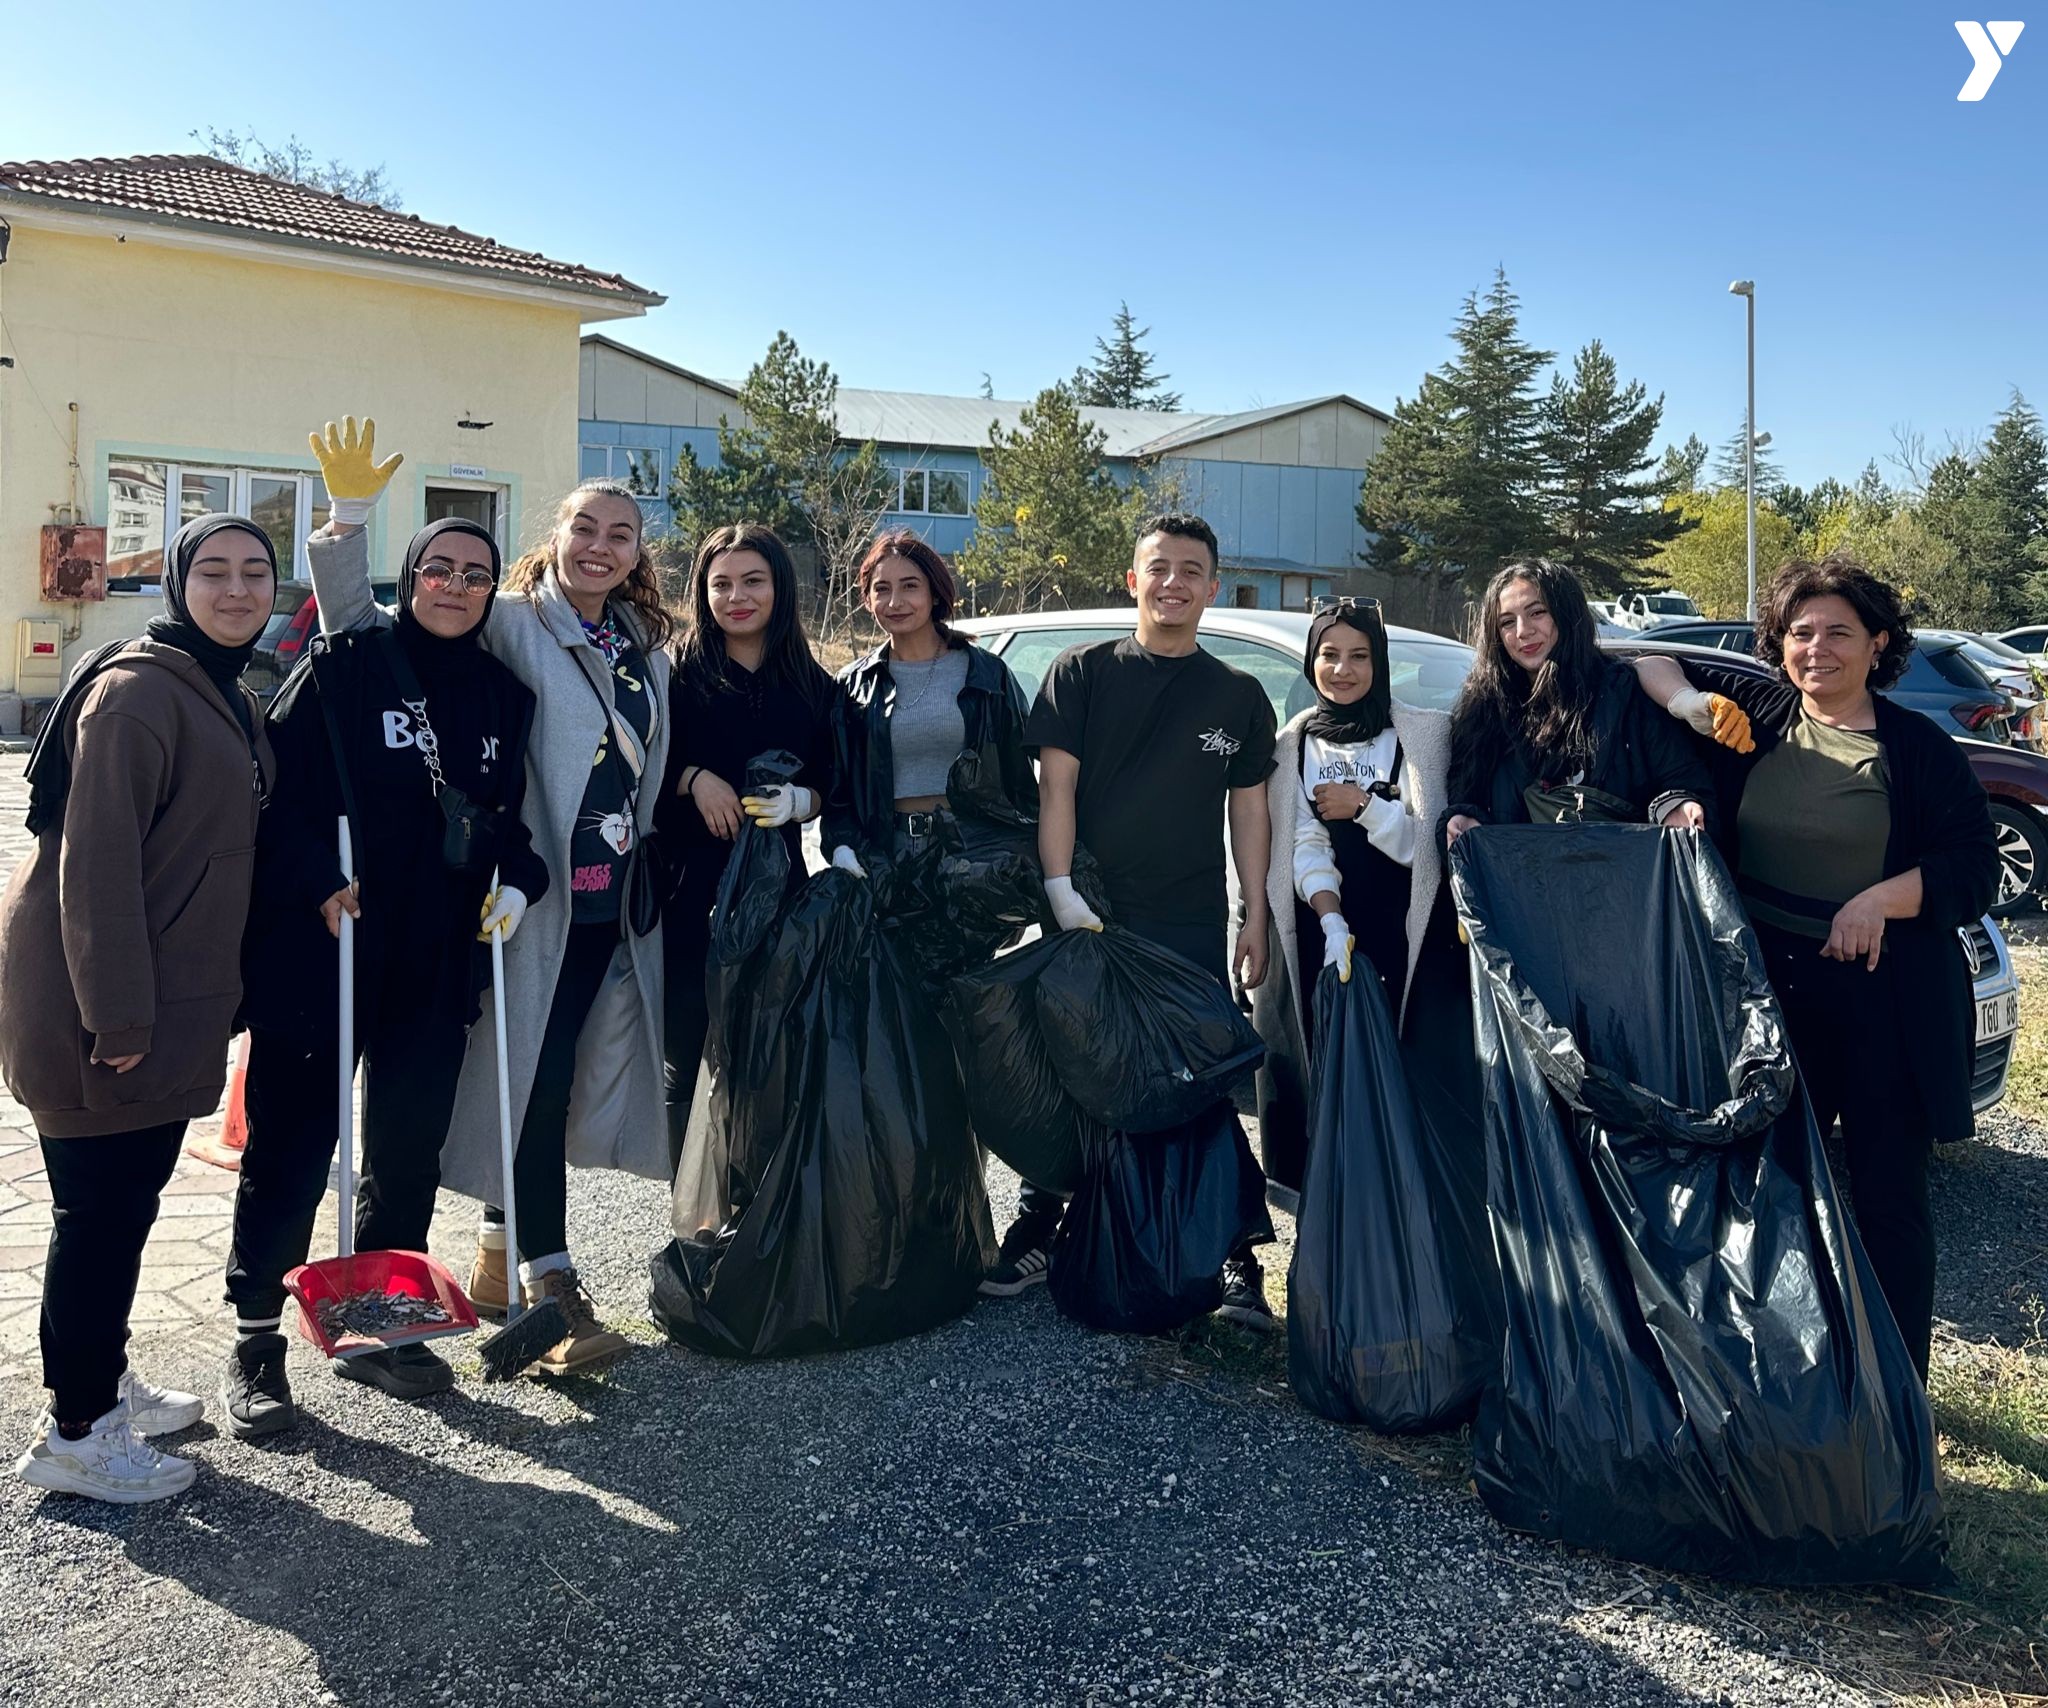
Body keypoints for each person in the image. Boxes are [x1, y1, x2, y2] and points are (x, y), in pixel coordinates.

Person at [304, 418, 670, 1376]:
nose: (600, 547)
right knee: (337, 1127)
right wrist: (346, 526)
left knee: (436, 1117)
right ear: (557, 540)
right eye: (585, 528)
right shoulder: (510, 617)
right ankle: (270, 1328)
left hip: (555, 903)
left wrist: (520, 872)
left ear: (637, 555)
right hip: (395, 918)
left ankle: (449, 1285)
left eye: (620, 535)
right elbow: (356, 634)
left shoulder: (636, 647)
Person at [1632, 555, 1998, 1380]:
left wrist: (1882, 900)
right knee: (1765, 1186)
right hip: (1764, 992)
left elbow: (1974, 866)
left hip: (1880, 995)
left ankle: (1897, 1388)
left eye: (1839, 632)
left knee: (1886, 1199)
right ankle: (1783, 1383)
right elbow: (1644, 661)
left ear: (1878, 644)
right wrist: (1690, 702)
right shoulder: (1756, 712)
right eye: (1800, 633)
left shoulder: (1918, 749)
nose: (1817, 648)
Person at [220, 519, 550, 1434]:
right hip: (325, 947)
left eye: (476, 575)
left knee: (407, 1149)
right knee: (291, 1148)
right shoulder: (345, 666)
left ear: (492, 591)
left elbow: (503, 827)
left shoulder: (501, 695)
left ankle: (375, 1321)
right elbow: (275, 801)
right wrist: (316, 878)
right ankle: (255, 1343)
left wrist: (521, 885)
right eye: (437, 569)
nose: (455, 585)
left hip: (436, 959)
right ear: (408, 578)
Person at [2, 515, 276, 1501]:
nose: (237, 589)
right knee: (99, 1215)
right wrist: (117, 1015)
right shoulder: (136, 695)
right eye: (214, 570)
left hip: (155, 995)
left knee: (123, 1206)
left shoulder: (217, 688)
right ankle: (75, 1431)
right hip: (97, 1003)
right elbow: (96, 866)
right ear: (174, 581)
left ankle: (99, 1379)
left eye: (256, 571)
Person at [1008, 513, 1279, 1327]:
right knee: (1074, 1078)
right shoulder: (1081, 672)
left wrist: (1252, 914)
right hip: (1091, 915)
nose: (1173, 583)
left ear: (1213, 587)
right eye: (1158, 568)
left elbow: (1251, 815)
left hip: (1189, 922)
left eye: (1190, 570)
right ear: (1133, 580)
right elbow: (1055, 792)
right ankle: (1042, 1223)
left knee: (1197, 1089)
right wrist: (1061, 894)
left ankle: (1235, 1257)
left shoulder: (1236, 695)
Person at [1250, 597, 1461, 1205]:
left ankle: (1405, 1211)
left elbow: (1430, 846)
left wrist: (1366, 809)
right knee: (1327, 1074)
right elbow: (1302, 844)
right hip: (1326, 932)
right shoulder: (1293, 745)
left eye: (1359, 656)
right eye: (1329, 655)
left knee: (1402, 1074)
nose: (1342, 670)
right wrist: (1331, 918)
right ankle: (1332, 1212)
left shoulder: (1424, 736)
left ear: (1380, 661)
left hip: (1408, 938)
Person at [658, 523, 835, 1166]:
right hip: (687, 891)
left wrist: (800, 801)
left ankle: (754, 1208)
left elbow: (832, 786)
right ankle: (692, 1221)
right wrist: (691, 779)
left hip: (775, 892)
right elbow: (638, 773)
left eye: (753, 581)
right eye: (721, 583)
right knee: (688, 1051)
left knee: (766, 1050)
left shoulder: (814, 686)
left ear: (779, 589)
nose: (737, 596)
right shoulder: (675, 675)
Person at [821, 529, 1038, 889]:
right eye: (882, 589)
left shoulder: (986, 674)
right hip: (886, 855)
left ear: (934, 592)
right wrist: (844, 846)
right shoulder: (853, 685)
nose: (895, 602)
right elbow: (836, 785)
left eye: (910, 586)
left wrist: (1020, 860)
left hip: (970, 856)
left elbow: (1020, 777)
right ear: (867, 599)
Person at [1444, 558, 1712, 845]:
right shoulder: (1484, 713)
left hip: (1622, 881)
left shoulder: (1624, 696)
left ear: (1567, 614)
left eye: (1537, 612)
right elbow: (1464, 798)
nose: (1522, 631)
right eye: (1507, 622)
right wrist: (1461, 821)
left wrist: (1677, 806)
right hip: (1519, 886)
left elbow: (1684, 780)